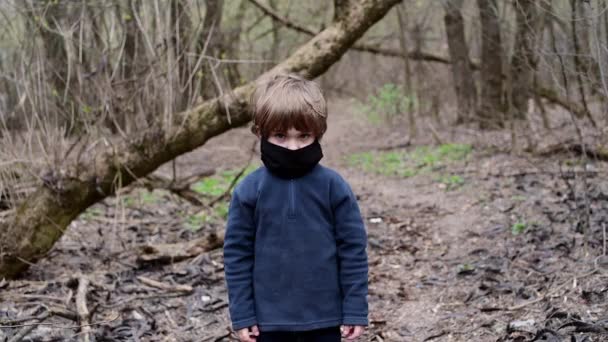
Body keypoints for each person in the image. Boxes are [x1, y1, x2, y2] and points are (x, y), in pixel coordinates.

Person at [223, 74, 368, 342]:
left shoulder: (333, 187)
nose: (292, 147)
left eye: (303, 136)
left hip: (326, 320)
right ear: (261, 134)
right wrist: (243, 315)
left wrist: (355, 309)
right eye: (280, 136)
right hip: (268, 324)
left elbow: (353, 251)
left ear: (318, 134)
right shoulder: (248, 191)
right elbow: (237, 256)